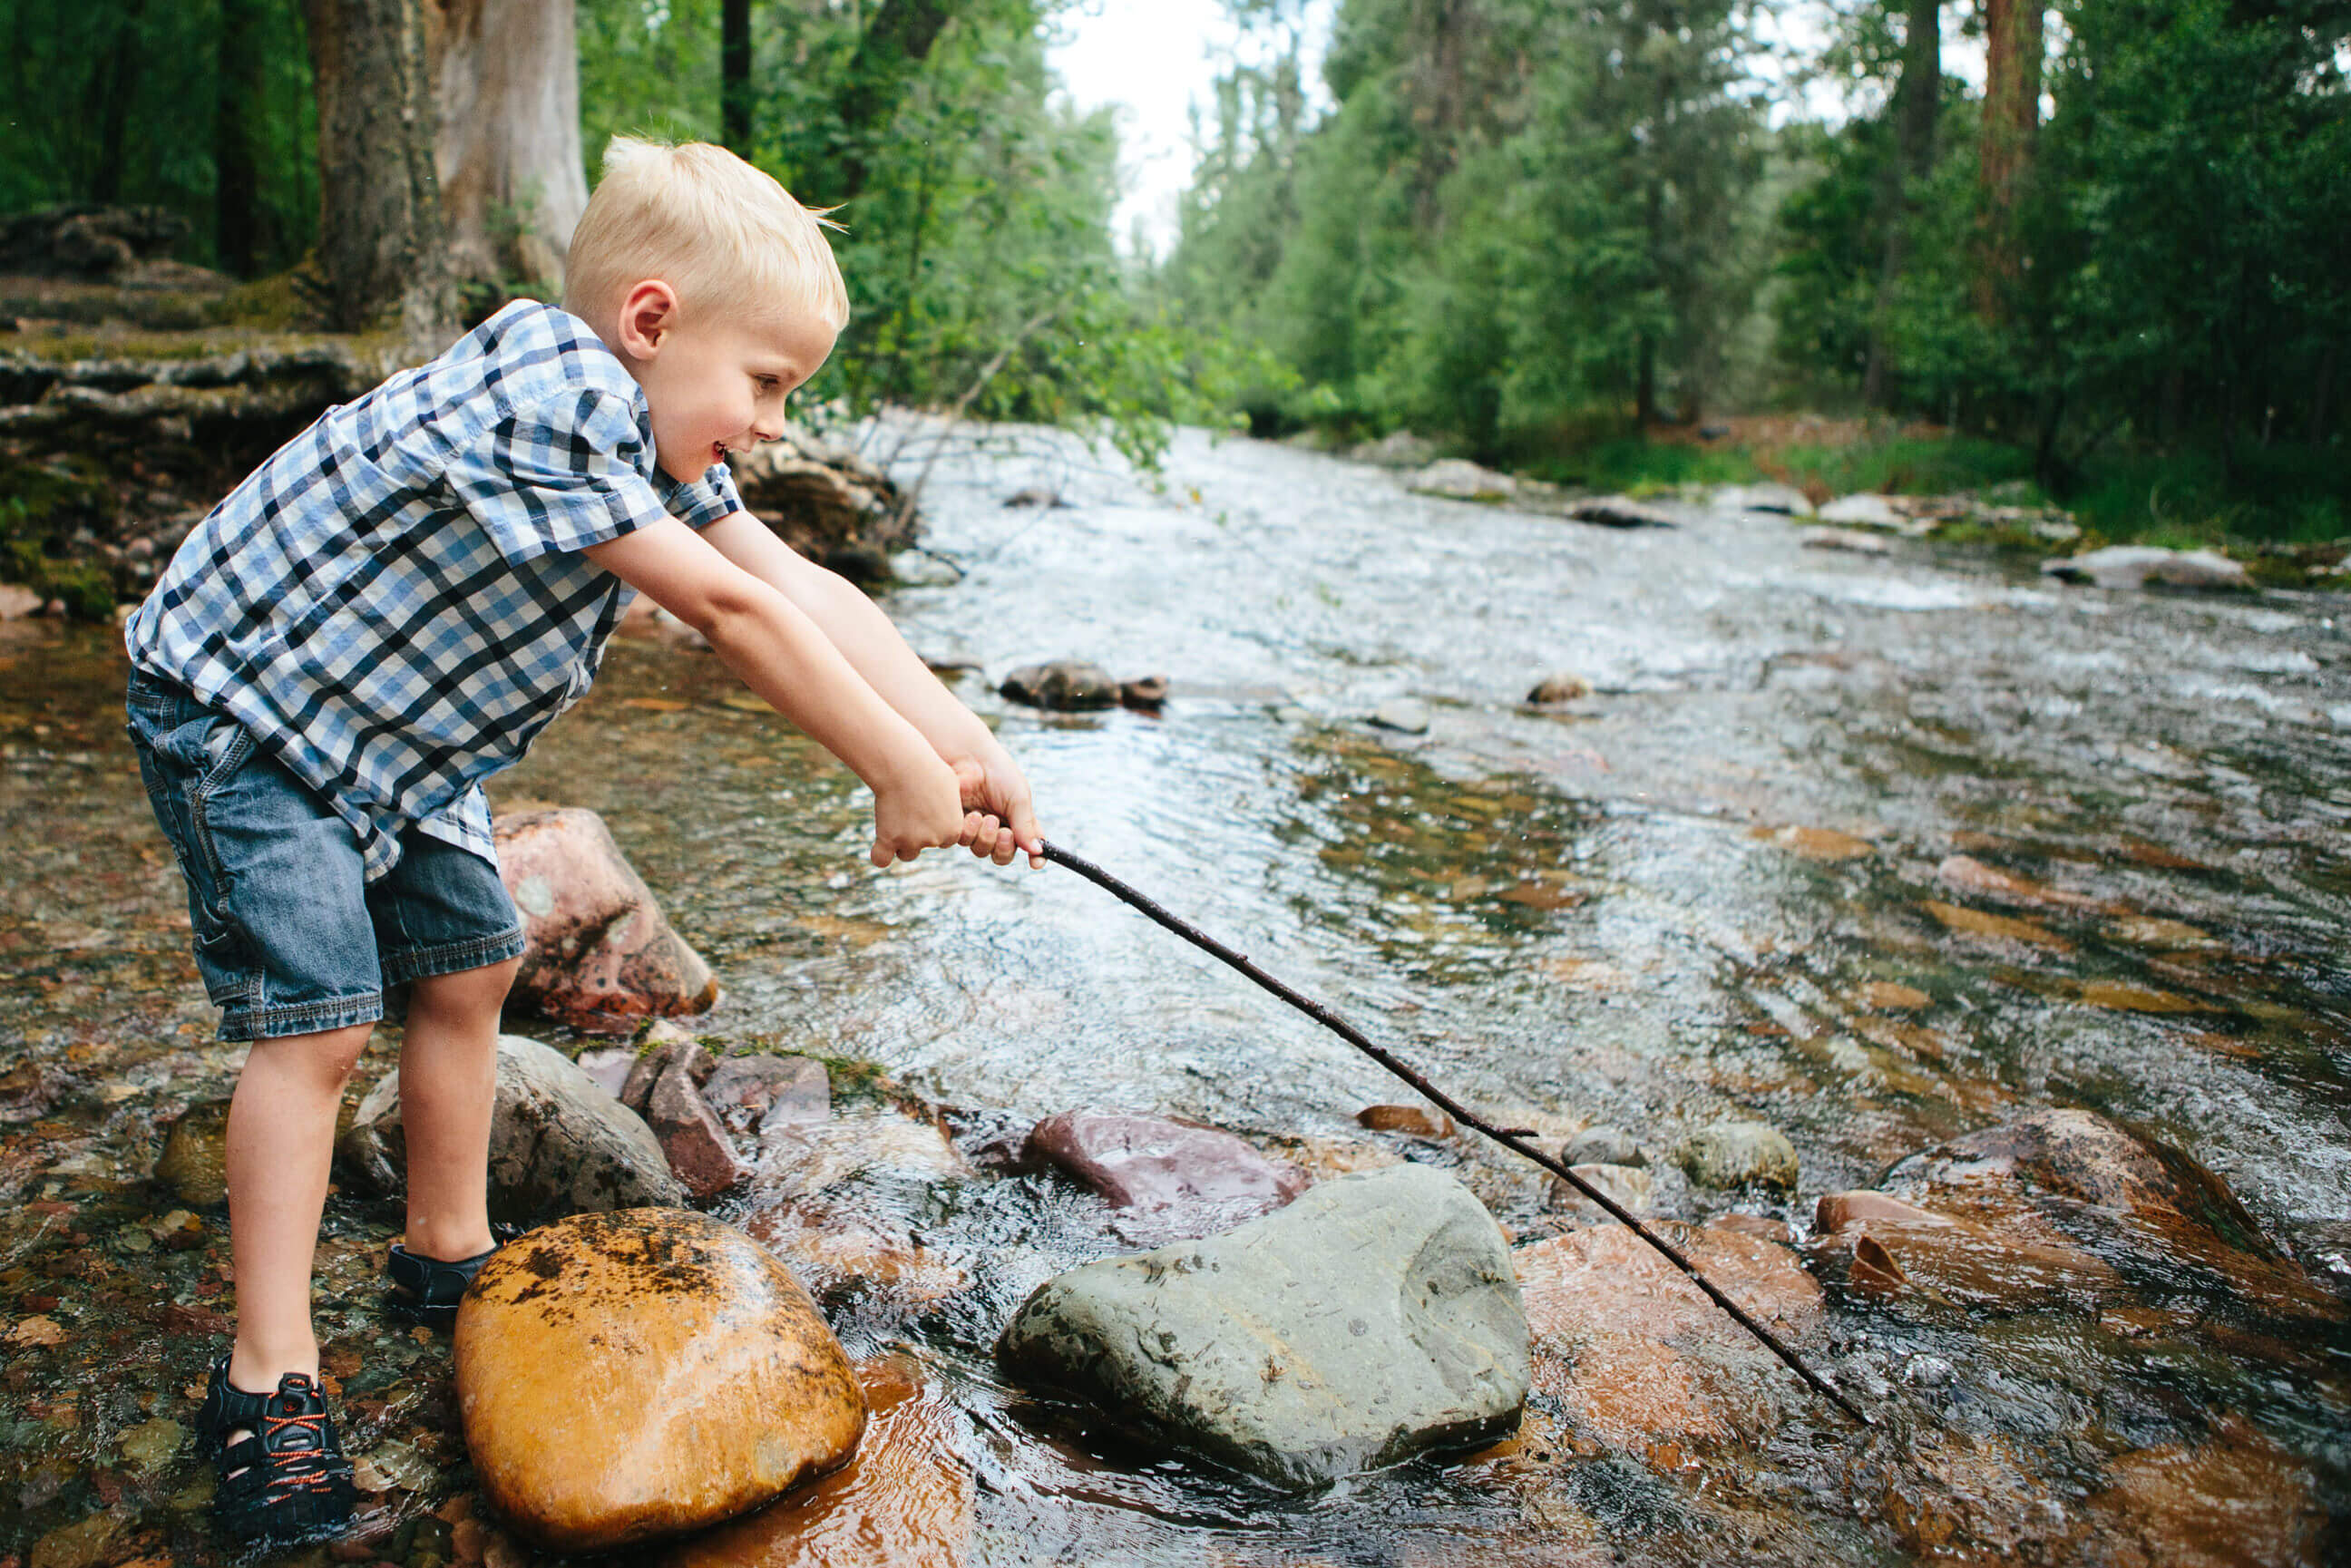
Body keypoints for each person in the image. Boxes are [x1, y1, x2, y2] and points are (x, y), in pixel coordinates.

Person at [121, 136, 1041, 1545]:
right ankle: (265, 1379)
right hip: (250, 705)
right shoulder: (546, 394)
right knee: (315, 1023)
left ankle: (445, 1251)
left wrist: (965, 746)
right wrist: (888, 773)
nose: (779, 423)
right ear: (653, 323)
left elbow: (799, 585)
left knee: (472, 965)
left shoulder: (653, 433)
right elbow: (734, 624)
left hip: (394, 737)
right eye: (770, 384)